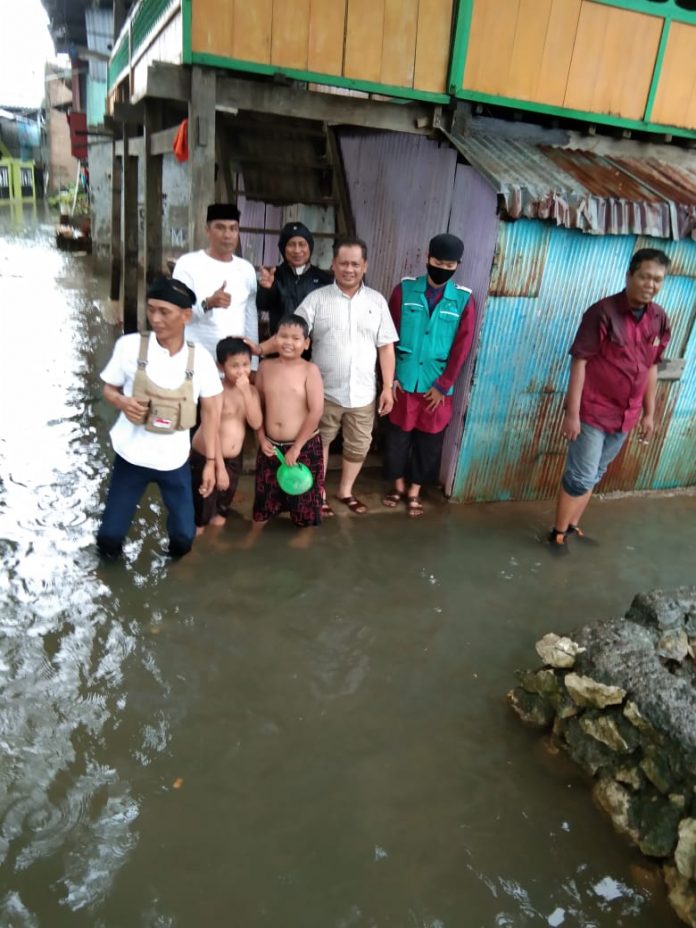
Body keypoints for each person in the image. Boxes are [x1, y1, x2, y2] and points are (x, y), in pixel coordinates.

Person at [548, 248, 672, 550]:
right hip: (592, 411)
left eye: (657, 280)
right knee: (580, 476)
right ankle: (557, 534)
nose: (651, 285)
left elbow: (652, 367)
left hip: (625, 414)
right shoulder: (602, 312)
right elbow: (580, 362)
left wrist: (648, 413)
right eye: (645, 277)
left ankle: (573, 524)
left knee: (597, 473)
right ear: (630, 275)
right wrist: (572, 414)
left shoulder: (658, 318)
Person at [96, 277, 222, 559]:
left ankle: (174, 583)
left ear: (186, 316)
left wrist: (212, 463)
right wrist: (122, 402)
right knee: (109, 538)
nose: (155, 318)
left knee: (183, 538)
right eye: (151, 309)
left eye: (164, 311)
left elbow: (213, 412)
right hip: (130, 457)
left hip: (174, 461)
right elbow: (109, 388)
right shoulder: (129, 347)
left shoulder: (200, 359)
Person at [382, 233, 476, 517]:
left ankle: (415, 489)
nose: (442, 268)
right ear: (427, 258)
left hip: (437, 385)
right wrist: (389, 378)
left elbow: (462, 346)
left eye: (449, 264)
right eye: (438, 262)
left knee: (430, 439)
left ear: (457, 265)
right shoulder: (404, 291)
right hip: (404, 378)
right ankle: (397, 484)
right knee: (397, 436)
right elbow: (388, 336)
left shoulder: (463, 300)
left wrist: (444, 384)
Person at [253, 314, 325, 528]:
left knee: (305, 502)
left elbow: (316, 411)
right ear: (274, 339)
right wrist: (260, 437)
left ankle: (305, 538)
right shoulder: (265, 367)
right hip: (270, 447)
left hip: (304, 446)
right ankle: (254, 534)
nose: (288, 342)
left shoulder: (310, 370)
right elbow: (258, 406)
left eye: (295, 338)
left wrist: (296, 448)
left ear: (306, 343)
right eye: (283, 336)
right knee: (264, 499)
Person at [190, 337, 262, 535]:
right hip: (208, 456)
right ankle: (194, 555)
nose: (241, 371)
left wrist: (246, 393)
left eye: (246, 365)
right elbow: (210, 429)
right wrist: (218, 467)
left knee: (222, 510)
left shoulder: (252, 391)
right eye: (235, 366)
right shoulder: (216, 390)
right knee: (201, 514)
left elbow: (256, 423)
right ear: (222, 366)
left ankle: (213, 546)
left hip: (233, 459)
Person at [172, 203, 258, 363]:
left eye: (233, 228)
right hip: (194, 360)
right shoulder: (188, 265)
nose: (227, 235)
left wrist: (252, 365)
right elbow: (177, 315)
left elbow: (250, 317)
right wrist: (208, 304)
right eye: (220, 228)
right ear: (207, 230)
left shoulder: (246, 269)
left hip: (234, 365)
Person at [256, 221, 332, 335]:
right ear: (283, 248)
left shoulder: (323, 278)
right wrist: (267, 289)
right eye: (291, 244)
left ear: (310, 247)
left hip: (312, 347)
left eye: (302, 244)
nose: (297, 250)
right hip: (281, 344)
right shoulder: (275, 275)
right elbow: (262, 305)